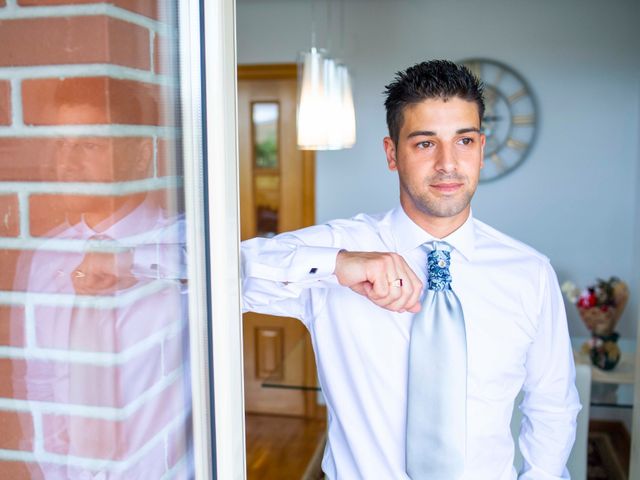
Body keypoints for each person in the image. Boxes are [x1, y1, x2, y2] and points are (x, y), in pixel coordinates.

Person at [241, 60, 580, 479]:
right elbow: (199, 273)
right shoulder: (336, 251)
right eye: (424, 143)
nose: (447, 163)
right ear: (391, 153)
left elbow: (552, 403)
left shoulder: (530, 273)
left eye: (464, 141)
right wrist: (338, 263)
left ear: (481, 147)